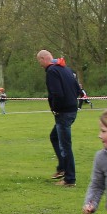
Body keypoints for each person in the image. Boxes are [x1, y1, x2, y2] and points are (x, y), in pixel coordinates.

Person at [39, 50, 80, 187]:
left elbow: (57, 93)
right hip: (72, 110)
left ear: (44, 59)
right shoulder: (66, 69)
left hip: (63, 113)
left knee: (65, 146)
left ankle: (70, 179)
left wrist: (55, 108)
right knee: (54, 137)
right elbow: (78, 89)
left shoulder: (52, 72)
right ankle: (62, 167)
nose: (40, 65)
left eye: (39, 61)